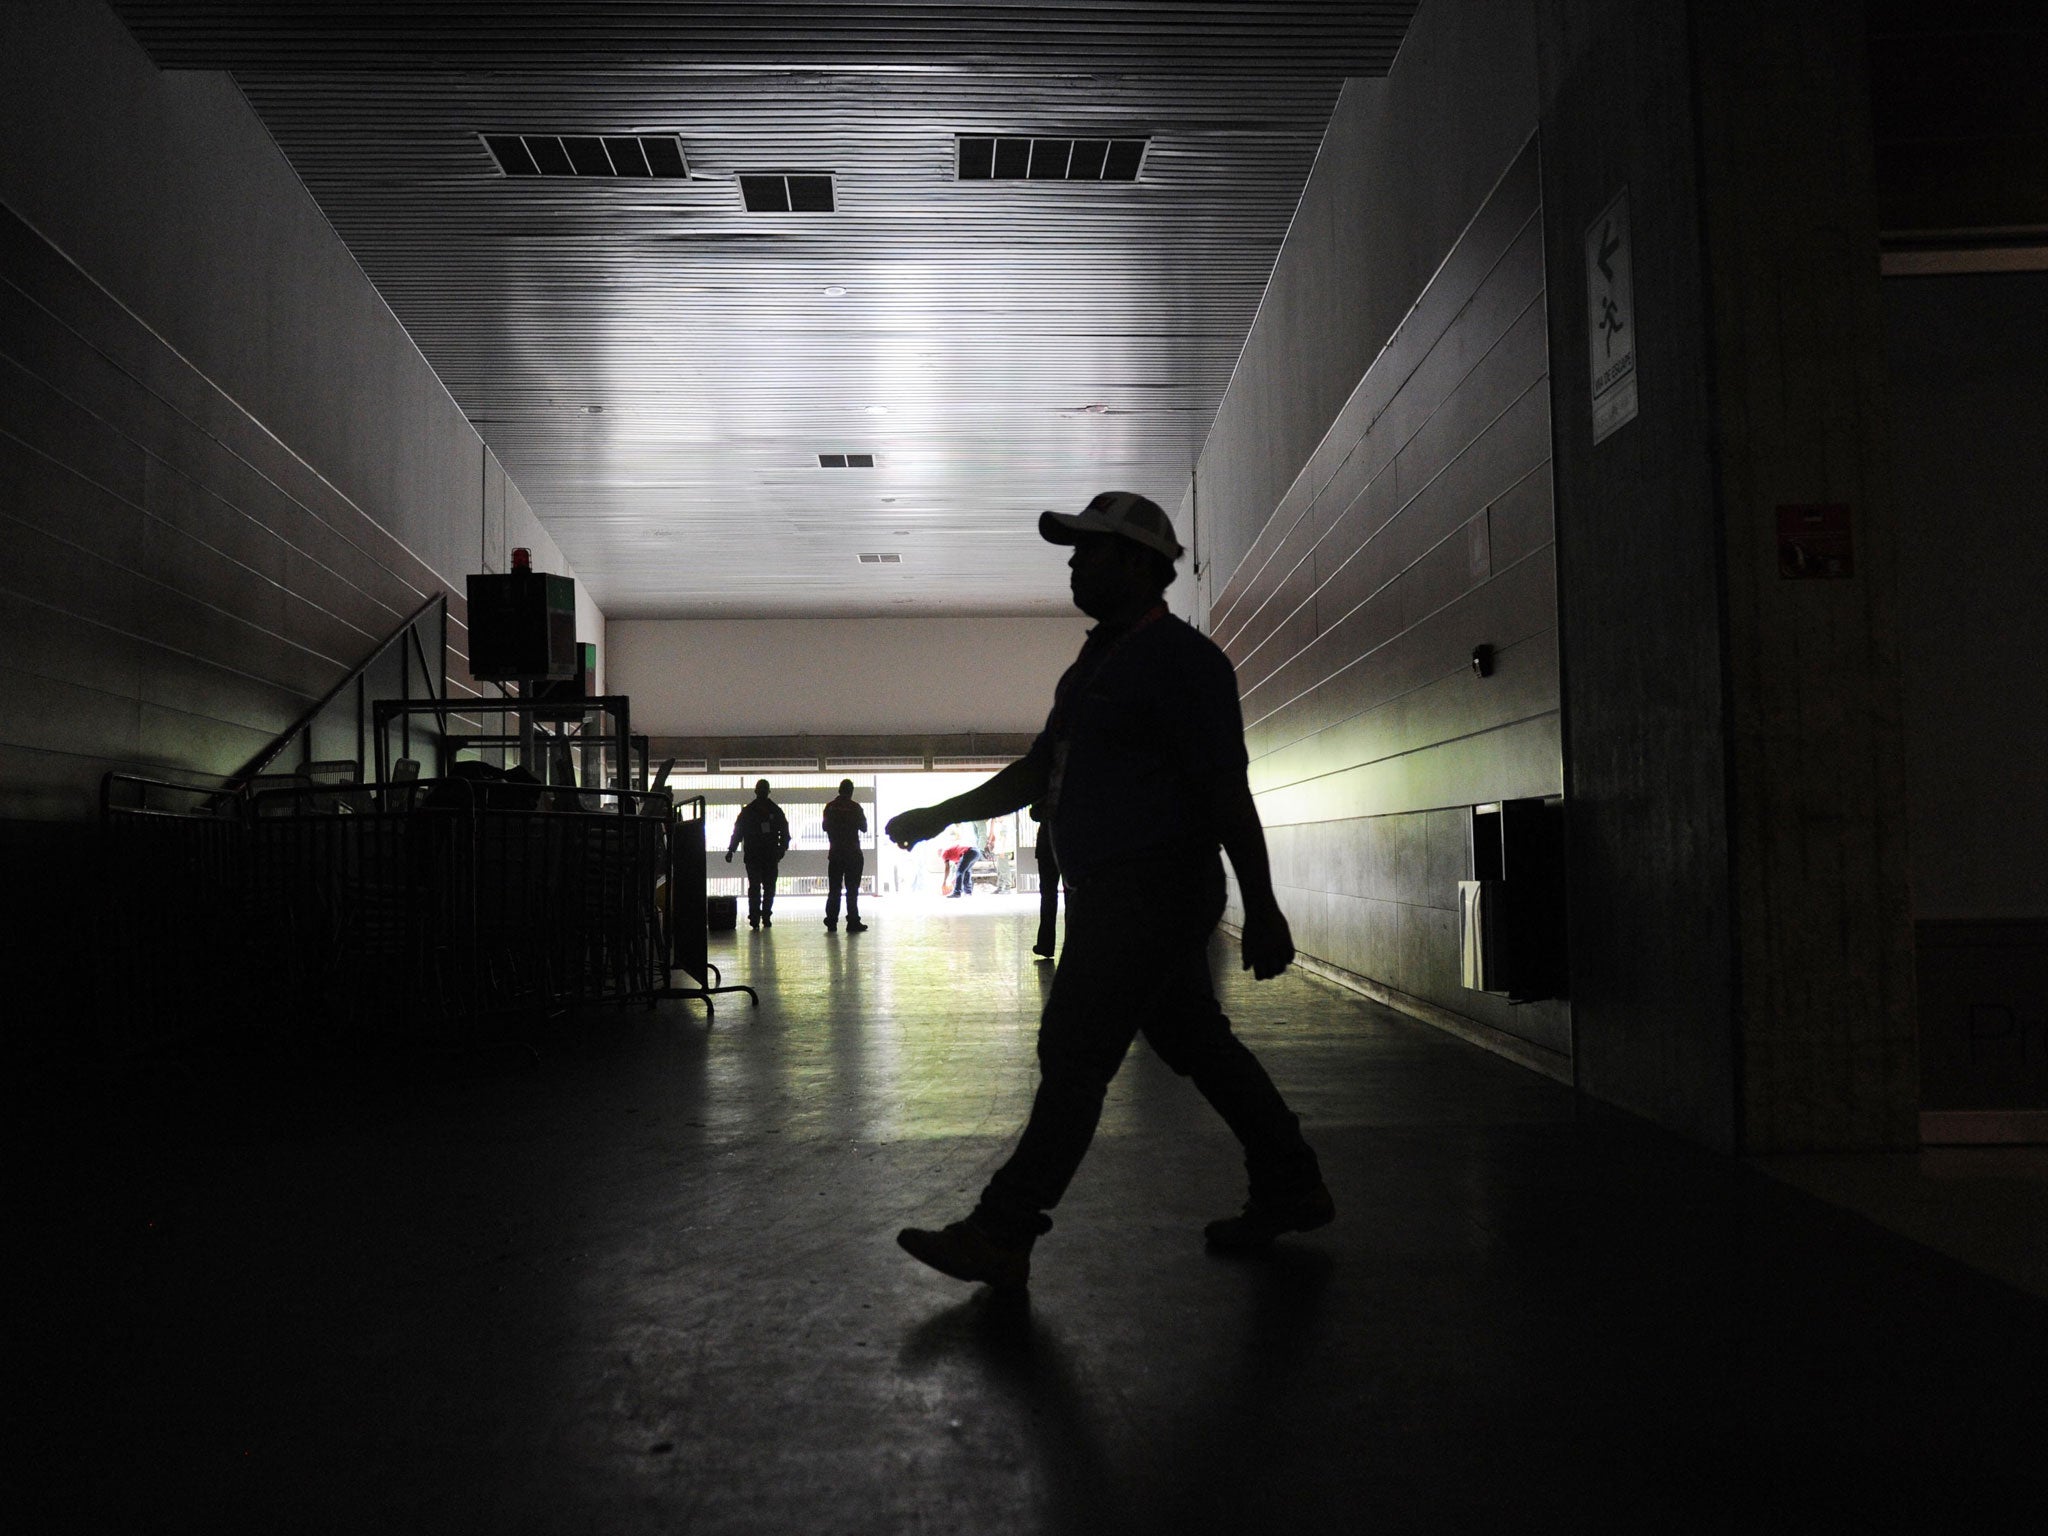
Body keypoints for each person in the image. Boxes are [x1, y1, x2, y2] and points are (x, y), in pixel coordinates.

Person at [887, 490, 1331, 1290]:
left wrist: (1264, 908)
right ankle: (1292, 1183)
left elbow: (1228, 791)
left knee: (1074, 1049)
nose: (1073, 565)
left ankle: (1004, 1228)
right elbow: (1037, 772)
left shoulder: (1186, 664)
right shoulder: (1095, 666)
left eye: (1088, 551)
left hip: (1153, 888)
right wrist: (937, 813)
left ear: (1137, 563)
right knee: (1196, 1043)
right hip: (1116, 889)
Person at [724, 779, 790, 929]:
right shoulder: (761, 811)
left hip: (765, 856)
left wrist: (781, 849)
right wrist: (731, 849)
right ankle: (758, 916)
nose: (762, 793)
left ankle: (762, 916)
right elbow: (738, 832)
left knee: (764, 887)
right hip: (760, 856)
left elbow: (785, 833)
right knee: (760, 887)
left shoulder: (755, 811)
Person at [821, 779, 869, 933]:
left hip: (835, 854)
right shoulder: (855, 807)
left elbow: (825, 827)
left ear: (839, 790)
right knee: (852, 889)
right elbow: (864, 828)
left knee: (834, 889)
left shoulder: (830, 807)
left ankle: (831, 921)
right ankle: (853, 922)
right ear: (851, 791)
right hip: (853, 854)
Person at [1029, 803, 1059, 959]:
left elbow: (1035, 814)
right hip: (1069, 843)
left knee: (1048, 896)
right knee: (1073, 895)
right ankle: (1072, 944)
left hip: (1047, 845)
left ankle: (1046, 945)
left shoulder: (1044, 787)